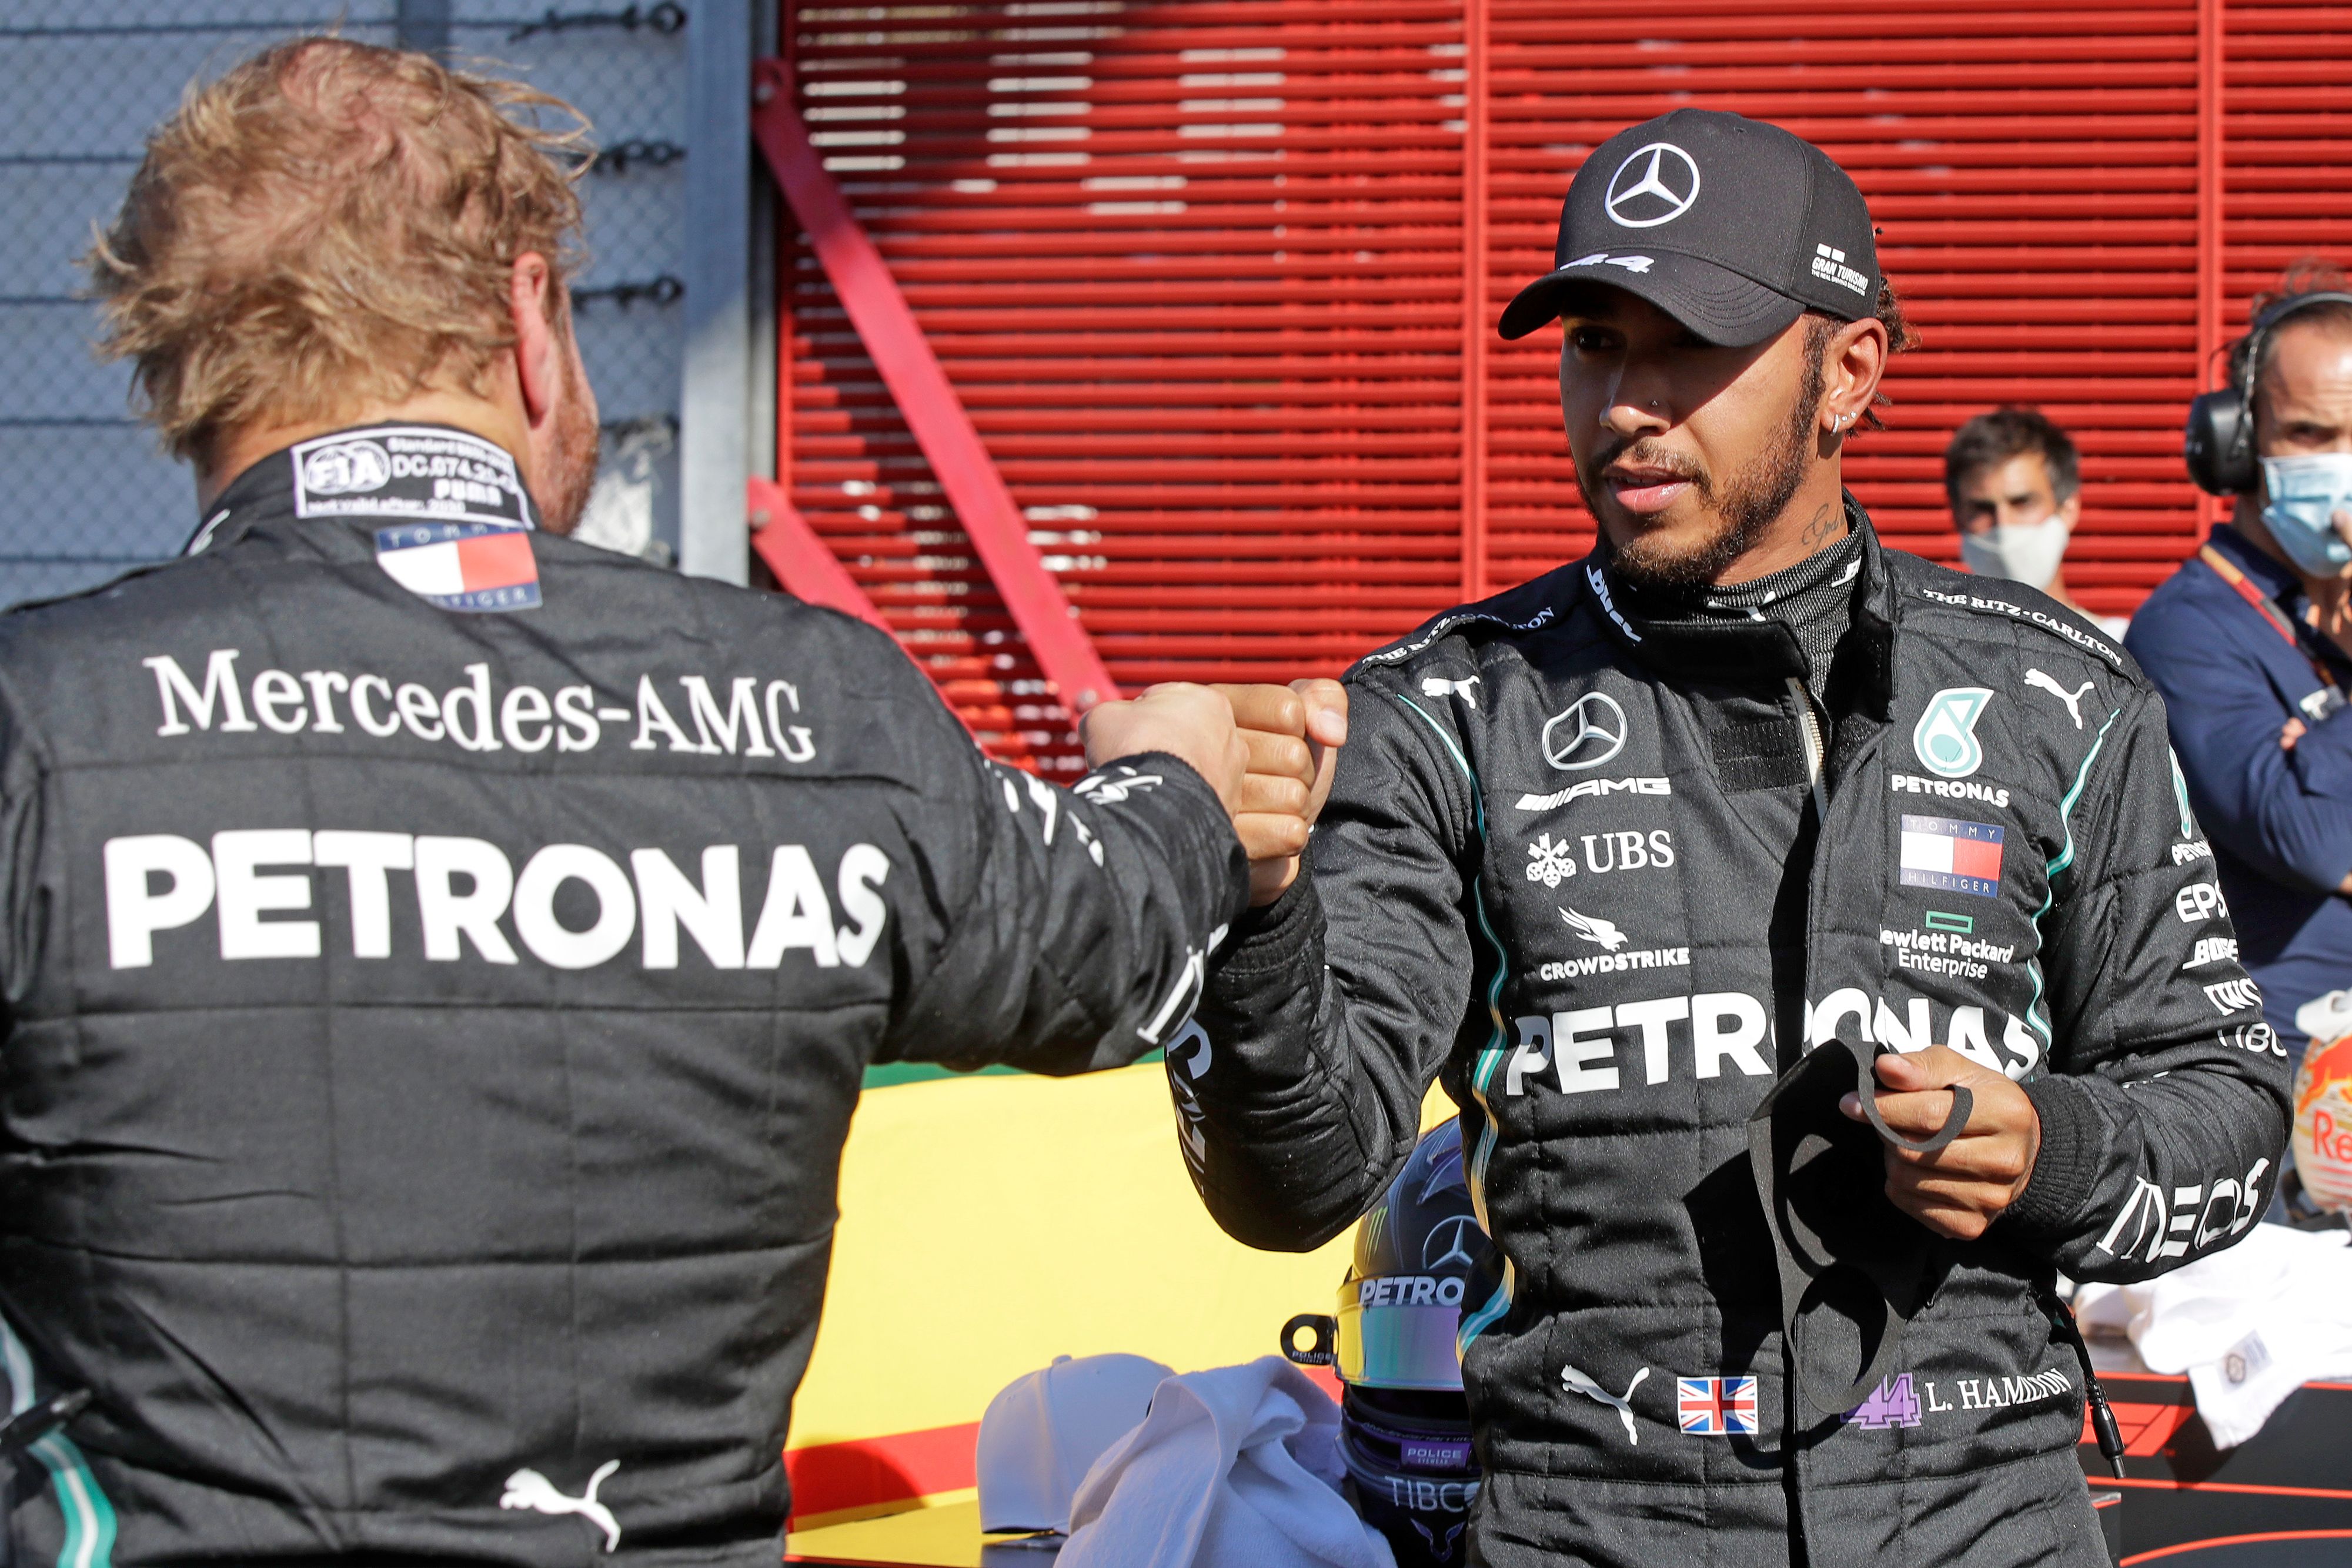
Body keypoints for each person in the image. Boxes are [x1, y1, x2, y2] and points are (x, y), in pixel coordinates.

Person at [0, 38, 1262, 1564]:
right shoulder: (809, 706)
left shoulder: (45, 724)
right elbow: (1101, 950)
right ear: (533, 321)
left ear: (180, 373)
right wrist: (1179, 773)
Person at [1177, 108, 2290, 1567]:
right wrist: (1253, 919)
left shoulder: (2055, 696)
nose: (1626, 404)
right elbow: (1293, 1184)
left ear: (1848, 375)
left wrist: (2053, 1154)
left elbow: (2225, 1103)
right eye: (1592, 344)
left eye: (1687, 347)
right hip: (1591, 1526)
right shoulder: (1443, 712)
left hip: (1985, 1519)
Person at [2130, 263, 2352, 1082]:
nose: (2343, 463)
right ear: (2237, 443)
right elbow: (2316, 838)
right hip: (2297, 1082)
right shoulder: (2187, 626)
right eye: (2311, 434)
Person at [1945, 407, 2126, 636]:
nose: (2003, 525)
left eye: (2022, 503)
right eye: (1982, 508)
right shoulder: (1930, 653)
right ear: (1957, 516)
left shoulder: (2121, 647)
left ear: (2068, 509)